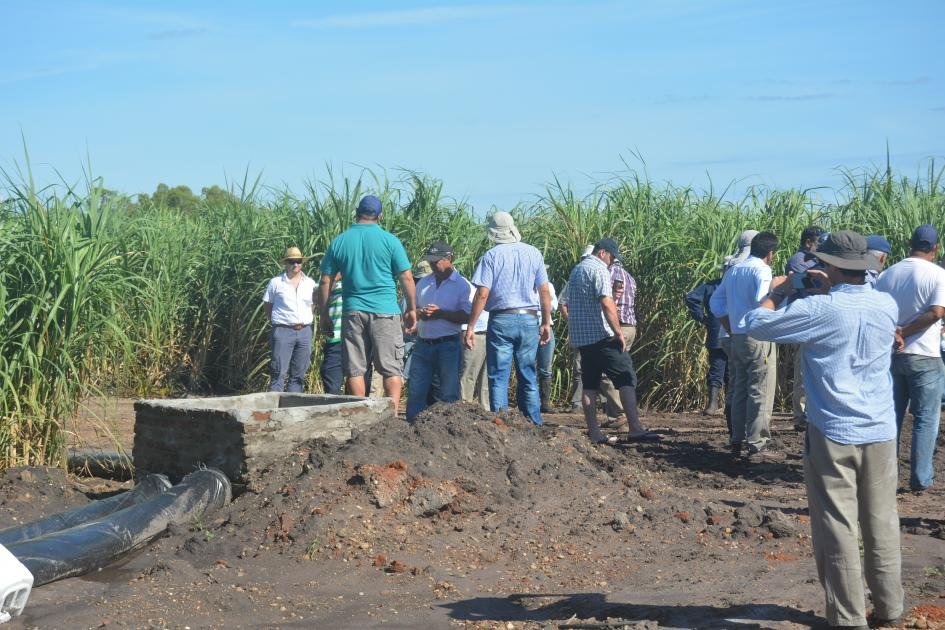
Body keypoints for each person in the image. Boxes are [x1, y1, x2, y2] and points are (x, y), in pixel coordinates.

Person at [746, 230, 903, 629]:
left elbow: (754, 323)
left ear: (830, 266)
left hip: (833, 430)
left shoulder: (819, 309)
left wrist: (783, 289)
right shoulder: (886, 304)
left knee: (838, 525)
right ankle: (890, 608)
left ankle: (849, 617)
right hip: (881, 428)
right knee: (882, 520)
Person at [317, 195, 417, 416]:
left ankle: (360, 417)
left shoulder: (340, 241)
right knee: (391, 368)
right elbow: (407, 277)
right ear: (380, 216)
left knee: (355, 369)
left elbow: (325, 281)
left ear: (357, 213)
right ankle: (391, 417)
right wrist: (411, 308)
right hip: (385, 311)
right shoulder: (390, 241)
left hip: (353, 311)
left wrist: (324, 314)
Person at [565, 237, 658, 445]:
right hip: (602, 337)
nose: (612, 261)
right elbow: (606, 303)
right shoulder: (599, 269)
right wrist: (617, 332)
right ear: (602, 253)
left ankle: (594, 433)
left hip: (584, 340)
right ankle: (635, 428)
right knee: (626, 378)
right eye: (612, 257)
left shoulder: (577, 270)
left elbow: (573, 303)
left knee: (589, 385)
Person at [875, 224, 945, 492]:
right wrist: (905, 331)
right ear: (936, 247)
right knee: (925, 418)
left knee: (891, 417)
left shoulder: (888, 275)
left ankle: (887, 476)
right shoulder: (938, 274)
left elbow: (877, 312)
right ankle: (921, 477)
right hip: (925, 355)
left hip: (893, 355)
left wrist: (895, 333)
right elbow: (937, 312)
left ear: (909, 243)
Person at [463, 211, 551, 425]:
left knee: (498, 376)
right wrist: (546, 322)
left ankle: (501, 424)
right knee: (528, 374)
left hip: (502, 320)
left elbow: (482, 294)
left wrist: (471, 326)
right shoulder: (534, 253)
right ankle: (534, 423)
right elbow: (544, 291)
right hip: (529, 318)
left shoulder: (491, 256)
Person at [709, 231, 779, 460]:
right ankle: (757, 443)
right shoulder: (763, 270)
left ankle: (737, 440)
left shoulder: (734, 270)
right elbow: (762, 302)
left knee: (739, 388)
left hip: (737, 337)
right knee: (759, 389)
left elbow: (715, 302)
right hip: (757, 336)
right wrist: (778, 290)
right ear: (770, 254)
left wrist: (730, 327)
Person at [406, 241, 472, 421]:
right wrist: (420, 313)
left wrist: (441, 314)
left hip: (448, 344)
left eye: (436, 261)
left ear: (448, 259)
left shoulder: (461, 285)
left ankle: (449, 428)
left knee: (449, 392)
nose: (433, 265)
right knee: (416, 391)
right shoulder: (423, 283)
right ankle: (412, 428)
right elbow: (410, 312)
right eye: (431, 261)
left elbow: (467, 316)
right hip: (423, 343)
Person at [785, 226, 825, 429]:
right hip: (804, 321)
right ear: (809, 243)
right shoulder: (797, 261)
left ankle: (813, 412)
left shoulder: (819, 261)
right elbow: (808, 284)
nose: (821, 247)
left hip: (818, 320)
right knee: (803, 370)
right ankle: (800, 415)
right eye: (819, 243)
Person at [262, 247, 317, 392]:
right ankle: (275, 405)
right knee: (278, 372)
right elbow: (268, 305)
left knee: (299, 375)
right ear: (286, 263)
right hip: (283, 331)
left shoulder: (310, 283)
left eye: (298, 261)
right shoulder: (275, 283)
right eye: (292, 261)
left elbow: (313, 304)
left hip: (304, 331)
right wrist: (278, 322)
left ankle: (293, 404)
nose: (296, 264)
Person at [600, 259, 638, 419]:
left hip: (617, 327)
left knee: (607, 371)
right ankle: (613, 416)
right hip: (630, 327)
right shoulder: (630, 277)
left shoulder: (608, 274)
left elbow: (608, 303)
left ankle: (620, 412)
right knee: (620, 368)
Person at [684, 275, 726, 415]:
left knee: (720, 368)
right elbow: (690, 297)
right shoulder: (734, 285)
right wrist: (703, 318)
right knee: (723, 369)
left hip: (719, 332)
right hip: (728, 333)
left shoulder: (712, 285)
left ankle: (716, 405)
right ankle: (716, 405)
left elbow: (690, 297)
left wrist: (704, 319)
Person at [560, 245, 594, 412]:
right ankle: (577, 402)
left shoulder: (601, 276)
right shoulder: (574, 279)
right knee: (579, 366)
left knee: (601, 366)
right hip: (581, 331)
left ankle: (603, 402)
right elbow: (562, 303)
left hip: (597, 331)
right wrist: (572, 322)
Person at [459, 282, 490, 410]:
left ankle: (486, 412)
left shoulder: (489, 285)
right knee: (468, 375)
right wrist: (469, 329)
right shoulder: (464, 284)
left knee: (487, 378)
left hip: (490, 332)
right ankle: (464, 410)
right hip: (474, 333)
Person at [536, 275, 559, 413]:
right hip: (530, 326)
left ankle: (544, 403)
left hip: (547, 327)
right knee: (527, 365)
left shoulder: (549, 285)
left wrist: (545, 302)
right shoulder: (524, 284)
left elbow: (554, 306)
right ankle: (530, 402)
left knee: (545, 368)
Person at [319, 273, 344, 394]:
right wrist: (335, 278)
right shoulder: (329, 282)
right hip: (335, 339)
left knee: (358, 380)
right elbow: (316, 296)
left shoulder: (359, 279)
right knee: (332, 384)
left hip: (358, 339)